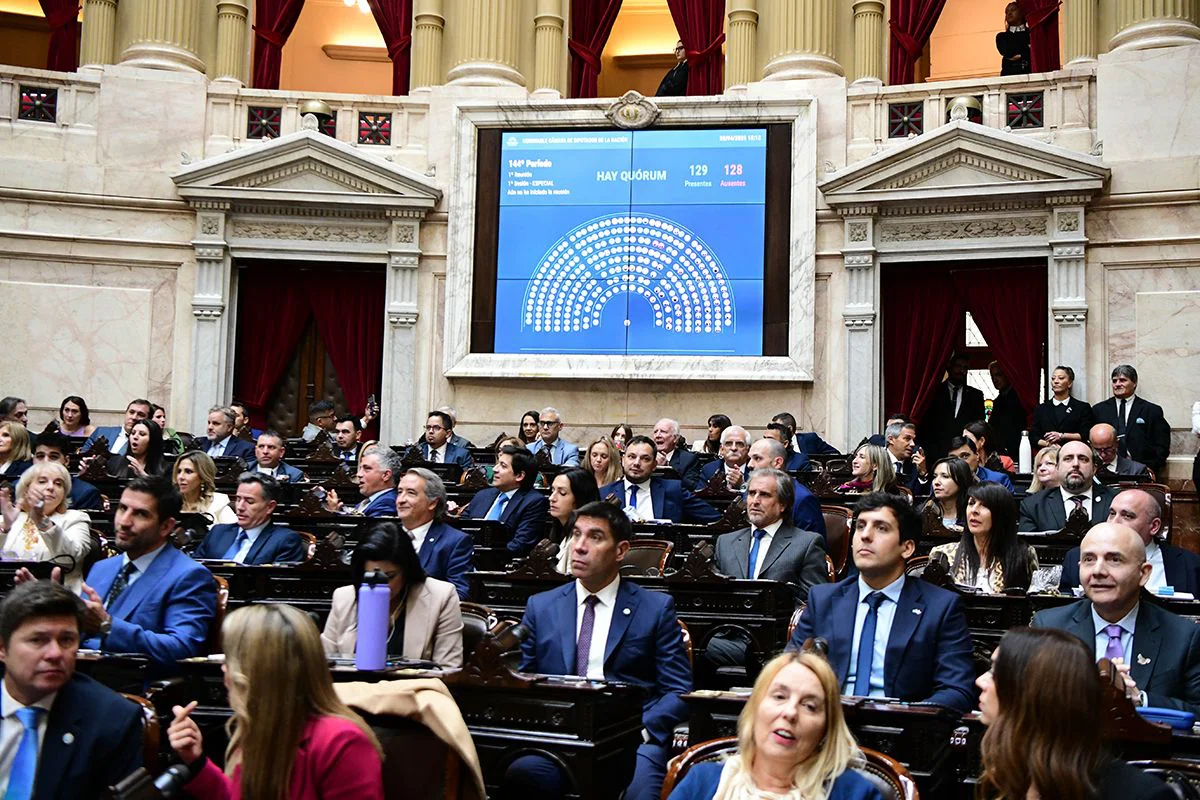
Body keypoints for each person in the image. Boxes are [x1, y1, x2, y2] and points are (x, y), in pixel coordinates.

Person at [507, 501, 692, 800]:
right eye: (576, 535)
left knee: (639, 793)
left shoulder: (654, 609)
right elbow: (526, 682)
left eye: (594, 537)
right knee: (521, 774)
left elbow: (678, 690)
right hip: (561, 735)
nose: (579, 547)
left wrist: (642, 730)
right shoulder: (541, 606)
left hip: (632, 737)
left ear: (620, 551)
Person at [169, 604, 384, 800]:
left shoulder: (342, 742)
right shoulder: (259, 727)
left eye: (231, 659)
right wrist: (196, 761)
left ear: (260, 671)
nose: (224, 669)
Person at [788, 493, 976, 713]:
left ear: (907, 547)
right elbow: (790, 669)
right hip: (827, 724)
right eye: (860, 526)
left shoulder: (941, 607)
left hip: (900, 731)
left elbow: (957, 690)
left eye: (881, 528)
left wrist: (905, 718)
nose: (865, 536)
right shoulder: (822, 600)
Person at [28, 477, 217, 670]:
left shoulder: (189, 576)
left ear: (166, 526)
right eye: (122, 509)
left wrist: (107, 625)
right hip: (76, 674)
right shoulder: (103, 568)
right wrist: (53, 609)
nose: (125, 522)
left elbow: (182, 648)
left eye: (141, 514)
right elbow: (79, 634)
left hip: (131, 686)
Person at [975, 627, 1175, 800]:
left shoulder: (1142, 795)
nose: (980, 681)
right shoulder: (999, 777)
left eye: (995, 672)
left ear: (1033, 694)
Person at [668, 650, 885, 800]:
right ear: (754, 708)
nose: (790, 713)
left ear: (826, 729)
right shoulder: (701, 782)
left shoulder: (855, 793)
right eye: (779, 696)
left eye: (810, 706)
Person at [1033, 523, 1200, 714]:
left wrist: (1141, 700)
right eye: (1089, 559)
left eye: (1114, 560)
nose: (1098, 571)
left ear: (1143, 573)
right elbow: (1027, 702)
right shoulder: (1050, 628)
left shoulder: (1184, 637)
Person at [0, 580, 144, 799]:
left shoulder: (113, 720)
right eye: (38, 640)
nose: (55, 654)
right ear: (2, 648)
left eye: (66, 640)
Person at [321, 522, 463, 668]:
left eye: (389, 576)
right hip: (353, 688)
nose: (381, 584)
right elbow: (324, 664)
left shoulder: (441, 596)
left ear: (407, 570)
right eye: (371, 576)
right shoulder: (344, 597)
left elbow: (447, 669)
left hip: (412, 688)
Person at [1059, 488, 1200, 595]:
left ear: (1154, 526)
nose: (1114, 522)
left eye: (1127, 516)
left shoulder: (1190, 565)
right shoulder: (1076, 559)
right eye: (1112, 513)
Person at [930, 482, 1036, 593]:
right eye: (971, 503)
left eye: (984, 505)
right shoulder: (942, 554)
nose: (974, 510)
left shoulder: (1023, 554)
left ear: (1001, 514)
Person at [0, 462, 91, 591]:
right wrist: (5, 527)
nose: (51, 487)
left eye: (58, 484)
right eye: (42, 481)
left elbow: (69, 558)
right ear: (26, 489)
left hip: (58, 595)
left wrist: (42, 522)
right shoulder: (8, 519)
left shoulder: (75, 518)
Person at [599, 436, 720, 524]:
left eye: (645, 459)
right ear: (622, 460)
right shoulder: (604, 494)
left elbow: (715, 518)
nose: (636, 463)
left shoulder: (673, 490)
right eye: (632, 457)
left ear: (654, 465)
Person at [394, 467, 474, 600]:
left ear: (432, 503)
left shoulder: (454, 542)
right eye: (399, 492)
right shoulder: (386, 535)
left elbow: (459, 594)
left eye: (411, 493)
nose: (401, 500)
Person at [193, 473, 306, 564]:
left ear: (270, 507)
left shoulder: (285, 540)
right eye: (238, 499)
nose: (240, 507)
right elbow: (194, 569)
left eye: (249, 501)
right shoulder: (218, 532)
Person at [463, 444, 551, 555]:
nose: (495, 469)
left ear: (519, 475)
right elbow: (461, 528)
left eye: (503, 466)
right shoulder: (482, 495)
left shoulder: (534, 502)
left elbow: (519, 544)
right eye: (497, 464)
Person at [1092, 364, 1171, 477]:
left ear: (1134, 383)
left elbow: (1162, 443)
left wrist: (1152, 467)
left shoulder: (1151, 410)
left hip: (1141, 471)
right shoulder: (1099, 409)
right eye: (1114, 381)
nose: (1117, 384)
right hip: (1105, 471)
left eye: (1123, 380)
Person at [1019, 440, 1117, 531]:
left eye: (1083, 459)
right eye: (1068, 459)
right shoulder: (1033, 506)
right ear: (1057, 467)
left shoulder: (1115, 500)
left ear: (1094, 468)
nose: (1075, 464)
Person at [746, 438, 825, 538]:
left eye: (757, 458)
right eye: (749, 459)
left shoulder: (802, 499)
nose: (749, 465)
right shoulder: (748, 494)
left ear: (778, 462)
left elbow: (812, 547)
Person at [923, 354, 986, 463]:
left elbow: (979, 425)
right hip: (937, 454)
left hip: (965, 455)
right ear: (949, 367)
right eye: (958, 366)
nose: (961, 370)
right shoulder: (933, 392)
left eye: (965, 368)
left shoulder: (976, 395)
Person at [547, 467, 601, 573]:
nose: (552, 498)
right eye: (552, 490)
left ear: (580, 498)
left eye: (562, 493)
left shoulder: (581, 542)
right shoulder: (564, 533)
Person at [31, 433, 102, 511]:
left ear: (67, 461)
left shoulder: (85, 493)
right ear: (33, 459)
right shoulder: (17, 487)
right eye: (40, 456)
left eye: (53, 457)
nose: (46, 461)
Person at [1030, 365, 1094, 449]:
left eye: (1060, 378)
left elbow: (1086, 435)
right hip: (1048, 454)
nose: (1055, 381)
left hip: (1073, 452)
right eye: (1053, 378)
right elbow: (1033, 437)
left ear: (1070, 383)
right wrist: (1049, 445)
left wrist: (1062, 436)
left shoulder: (1082, 408)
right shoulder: (1041, 409)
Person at [325, 449, 399, 517]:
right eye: (360, 468)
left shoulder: (387, 503)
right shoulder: (371, 500)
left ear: (386, 475)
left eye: (367, 469)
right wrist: (337, 510)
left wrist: (334, 514)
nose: (359, 474)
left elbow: (362, 530)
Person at [174, 450, 237, 525]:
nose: (181, 477)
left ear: (202, 476)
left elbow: (233, 534)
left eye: (188, 472)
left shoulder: (218, 504)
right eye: (179, 471)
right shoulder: (169, 503)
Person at [921, 456, 974, 531]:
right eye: (935, 477)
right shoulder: (922, 513)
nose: (936, 482)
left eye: (945, 476)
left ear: (961, 480)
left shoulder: (973, 514)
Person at [84, 398, 151, 456]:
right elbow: (83, 454)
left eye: (140, 415)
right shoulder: (101, 432)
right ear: (126, 413)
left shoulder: (149, 442)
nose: (134, 417)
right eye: (131, 412)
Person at [986, 361, 1026, 458]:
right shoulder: (998, 400)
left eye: (998, 375)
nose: (995, 380)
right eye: (992, 376)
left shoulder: (1020, 398)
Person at [947, 436, 1014, 493]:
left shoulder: (999, 480)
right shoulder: (943, 482)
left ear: (977, 456)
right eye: (953, 458)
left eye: (965, 456)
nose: (959, 462)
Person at [652, 418, 702, 488]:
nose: (657, 435)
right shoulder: (645, 456)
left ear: (675, 438)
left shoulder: (688, 459)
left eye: (663, 432)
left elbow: (691, 487)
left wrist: (667, 469)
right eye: (655, 432)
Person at [698, 425, 751, 490]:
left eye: (739, 444)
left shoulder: (757, 471)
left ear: (748, 450)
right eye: (728, 443)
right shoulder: (709, 470)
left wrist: (743, 486)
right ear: (721, 449)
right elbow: (698, 497)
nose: (733, 448)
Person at [883, 421, 928, 494]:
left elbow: (922, 497)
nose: (912, 444)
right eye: (907, 438)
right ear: (891, 439)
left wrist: (922, 473)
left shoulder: (915, 463)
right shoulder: (876, 459)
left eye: (913, 440)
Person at [773, 411, 840, 457]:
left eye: (778, 428)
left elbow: (834, 454)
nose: (774, 431)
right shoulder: (772, 444)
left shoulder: (810, 439)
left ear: (790, 429)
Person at [995, 1, 1031, 76]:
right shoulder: (1001, 37)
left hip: (1031, 75)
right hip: (1009, 77)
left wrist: (1019, 54)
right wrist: (1027, 48)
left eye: (1013, 10)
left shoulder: (1032, 33)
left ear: (1021, 13)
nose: (1009, 13)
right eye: (1007, 12)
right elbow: (1008, 51)